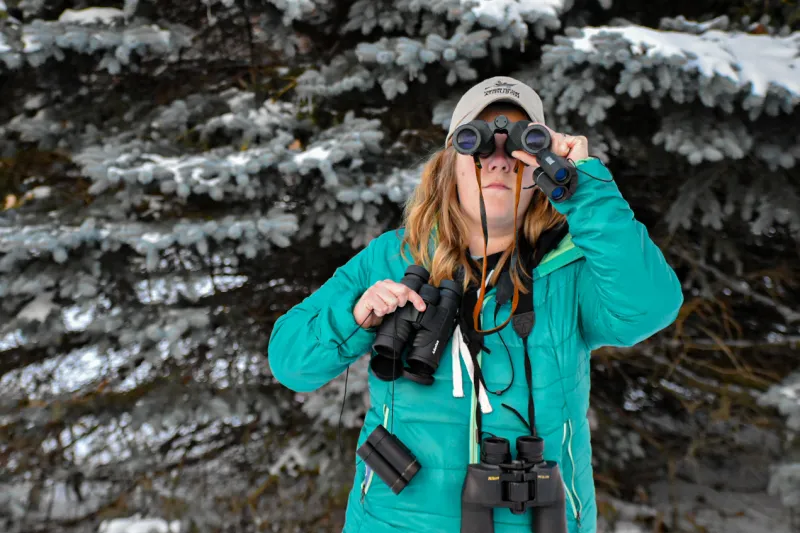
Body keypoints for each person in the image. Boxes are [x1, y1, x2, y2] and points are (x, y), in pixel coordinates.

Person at [268, 76, 684, 533]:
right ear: (450, 166)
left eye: (521, 147)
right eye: (479, 143)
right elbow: (291, 363)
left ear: (539, 169)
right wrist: (353, 318)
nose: (499, 161)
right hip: (394, 521)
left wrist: (583, 187)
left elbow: (651, 308)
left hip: (536, 520)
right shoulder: (393, 257)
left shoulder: (574, 270)